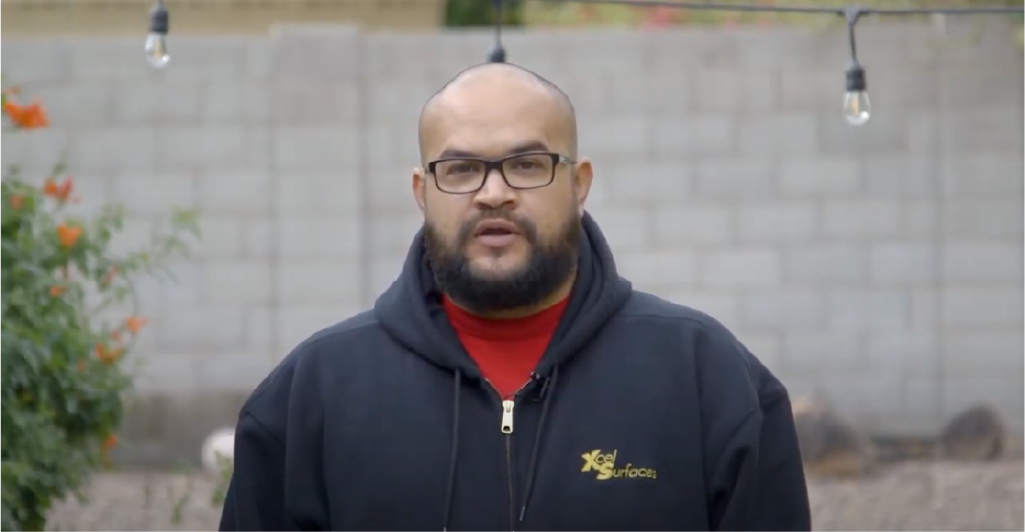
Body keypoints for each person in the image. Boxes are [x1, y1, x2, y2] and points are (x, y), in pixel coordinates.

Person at [218, 62, 812, 531]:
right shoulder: (311, 394)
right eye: (461, 169)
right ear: (423, 191)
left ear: (579, 183)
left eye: (527, 165)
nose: (493, 193)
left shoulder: (708, 378)